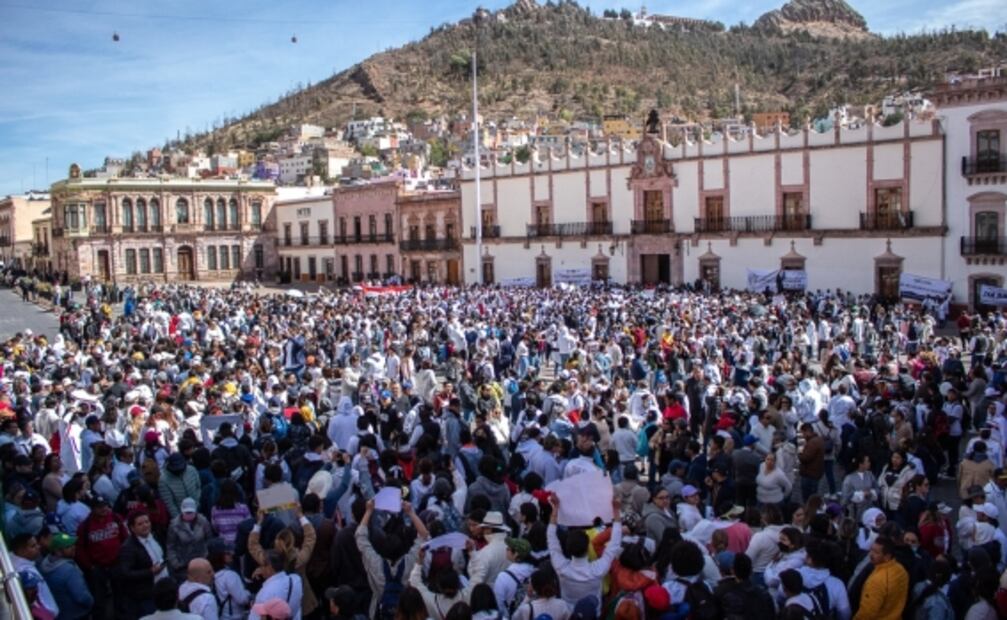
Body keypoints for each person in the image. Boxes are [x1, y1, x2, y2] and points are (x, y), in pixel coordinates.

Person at [546, 495, 622, 611]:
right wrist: (616, 511)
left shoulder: (561, 567)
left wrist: (555, 509)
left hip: (568, 613)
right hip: (593, 613)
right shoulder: (598, 570)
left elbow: (551, 540)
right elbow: (614, 544)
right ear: (587, 548)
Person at [39, 532, 93, 620]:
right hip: (76, 615)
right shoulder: (68, 570)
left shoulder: (44, 565)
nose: (73, 547)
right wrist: (91, 602)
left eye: (73, 544)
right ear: (58, 552)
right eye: (68, 547)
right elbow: (82, 597)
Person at [853, 537, 909, 620]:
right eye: (871, 550)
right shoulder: (901, 570)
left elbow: (867, 612)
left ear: (887, 556)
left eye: (876, 552)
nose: (871, 554)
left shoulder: (877, 581)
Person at [166, 497, 213, 581]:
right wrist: (175, 563)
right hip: (183, 565)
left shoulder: (203, 521)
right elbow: (170, 546)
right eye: (187, 512)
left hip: (202, 561)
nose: (189, 514)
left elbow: (209, 539)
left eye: (191, 512)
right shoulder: (174, 525)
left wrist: (207, 556)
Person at [249, 550, 303, 620]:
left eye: (261, 565)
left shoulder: (264, 593)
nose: (260, 568)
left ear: (269, 567)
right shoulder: (296, 580)